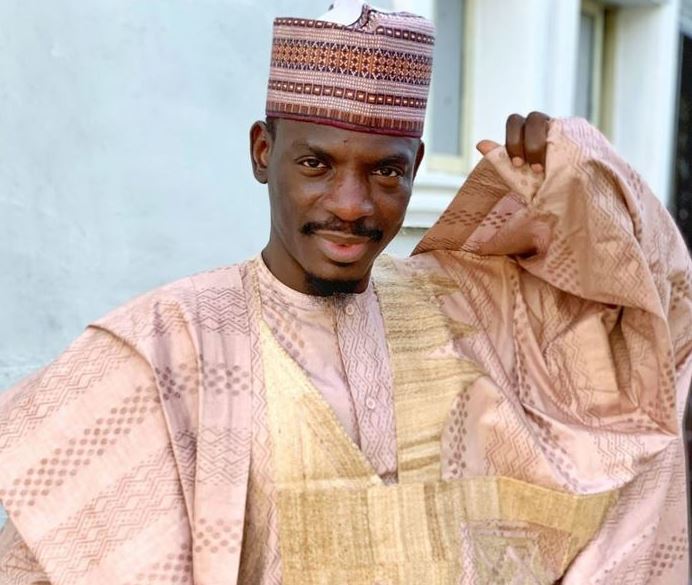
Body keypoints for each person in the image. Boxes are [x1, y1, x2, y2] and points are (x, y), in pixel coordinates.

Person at [0, 3, 690, 585]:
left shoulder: (470, 311)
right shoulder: (168, 346)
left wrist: (591, 179)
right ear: (262, 152)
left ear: (417, 167)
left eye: (385, 171)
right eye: (316, 163)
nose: (352, 204)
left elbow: (654, 327)